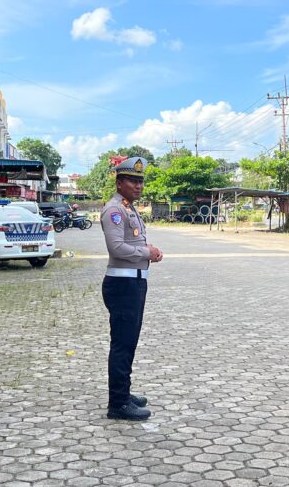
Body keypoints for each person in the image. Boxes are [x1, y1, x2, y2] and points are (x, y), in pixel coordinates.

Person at [100, 157, 163, 420]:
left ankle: (124, 393)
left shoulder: (129, 208)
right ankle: (118, 404)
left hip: (134, 282)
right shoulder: (114, 210)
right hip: (123, 284)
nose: (138, 186)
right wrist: (146, 251)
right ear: (119, 182)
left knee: (129, 342)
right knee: (123, 345)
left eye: (140, 181)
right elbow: (116, 248)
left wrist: (145, 253)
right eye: (132, 181)